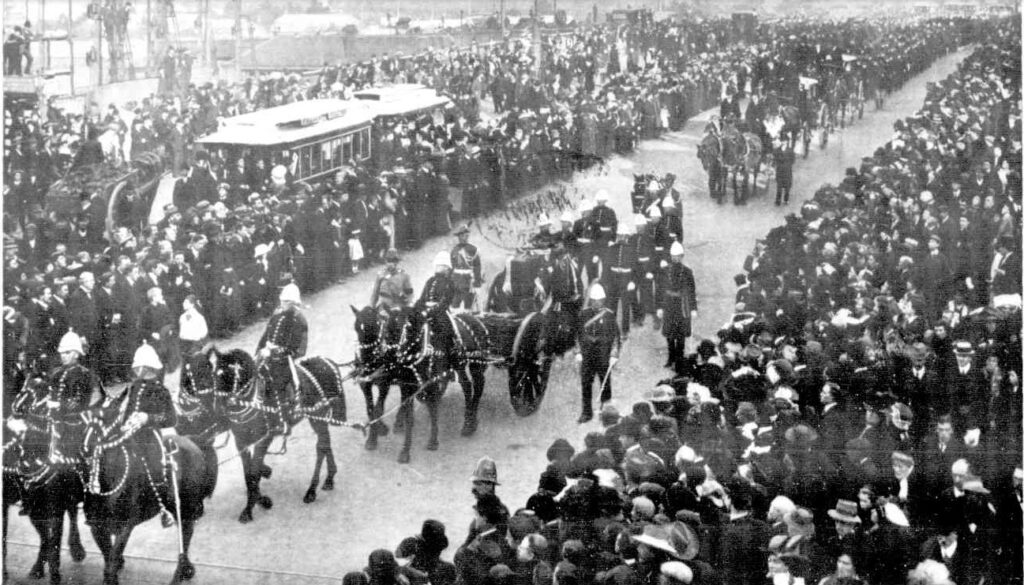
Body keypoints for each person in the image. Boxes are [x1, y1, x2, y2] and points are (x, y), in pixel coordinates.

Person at [114, 343, 178, 523]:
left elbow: (171, 419)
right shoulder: (135, 387)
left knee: (155, 467)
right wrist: (124, 424)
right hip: (129, 432)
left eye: (137, 367)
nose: (135, 371)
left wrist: (147, 418)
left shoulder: (159, 390)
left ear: (144, 367)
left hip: (150, 436)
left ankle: (164, 506)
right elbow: (127, 411)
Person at [255, 282, 308, 435]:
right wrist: (259, 350)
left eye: (285, 301)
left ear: (293, 303)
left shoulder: (299, 319)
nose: (281, 303)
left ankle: (283, 421)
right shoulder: (277, 314)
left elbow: (298, 348)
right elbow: (266, 334)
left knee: (277, 384)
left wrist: (275, 352)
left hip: (284, 360)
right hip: (267, 354)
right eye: (282, 300)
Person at [576, 284, 621, 423]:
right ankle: (587, 412)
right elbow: (577, 335)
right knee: (586, 384)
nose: (597, 303)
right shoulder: (583, 314)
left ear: (603, 300)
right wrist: (578, 352)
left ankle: (605, 411)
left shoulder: (609, 315)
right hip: (587, 354)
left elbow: (616, 337)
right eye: (594, 300)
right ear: (590, 300)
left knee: (605, 383)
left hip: (603, 354)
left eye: (599, 300)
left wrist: (614, 354)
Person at [657, 242, 697, 373]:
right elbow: (659, 290)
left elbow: (691, 291)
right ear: (670, 256)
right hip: (668, 305)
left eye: (678, 256)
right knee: (669, 334)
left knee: (680, 335)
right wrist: (659, 307)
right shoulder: (664, 271)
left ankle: (679, 360)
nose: (676, 259)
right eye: (674, 256)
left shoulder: (687, 272)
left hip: (682, 305)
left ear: (682, 256)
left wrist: (693, 308)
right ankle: (671, 358)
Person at [46, 331, 103, 417]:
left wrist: (59, 405)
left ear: (76, 354)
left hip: (74, 421)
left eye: (67, 353)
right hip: (54, 417)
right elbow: (51, 394)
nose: (63, 356)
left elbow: (80, 402)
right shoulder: (57, 373)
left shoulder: (84, 374)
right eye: (62, 353)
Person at [451, 225, 483, 311]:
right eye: (461, 235)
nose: (464, 237)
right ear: (459, 236)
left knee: (468, 305)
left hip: (468, 281)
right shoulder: (454, 250)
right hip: (457, 281)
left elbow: (477, 267)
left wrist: (477, 284)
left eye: (466, 235)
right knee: (454, 304)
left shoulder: (473, 249)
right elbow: (452, 266)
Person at [775, 141, 795, 205]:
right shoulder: (778, 150)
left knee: (787, 187)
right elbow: (775, 158)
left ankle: (786, 200)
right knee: (779, 187)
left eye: (785, 141)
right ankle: (778, 200)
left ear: (787, 142)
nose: (783, 142)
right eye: (782, 141)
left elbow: (793, 160)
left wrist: (788, 164)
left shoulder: (790, 150)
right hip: (780, 170)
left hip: (787, 171)